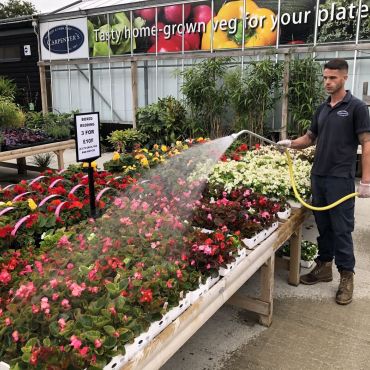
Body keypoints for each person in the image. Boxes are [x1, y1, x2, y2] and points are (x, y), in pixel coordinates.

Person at [277, 58, 370, 305]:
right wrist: (290, 144)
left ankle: (346, 276)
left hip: (340, 179)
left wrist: (366, 181)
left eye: (333, 78)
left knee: (342, 230)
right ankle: (324, 267)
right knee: (324, 227)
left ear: (344, 78)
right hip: (318, 176)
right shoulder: (322, 109)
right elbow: (310, 138)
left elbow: (366, 143)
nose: (327, 82)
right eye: (325, 77)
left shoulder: (356, 108)